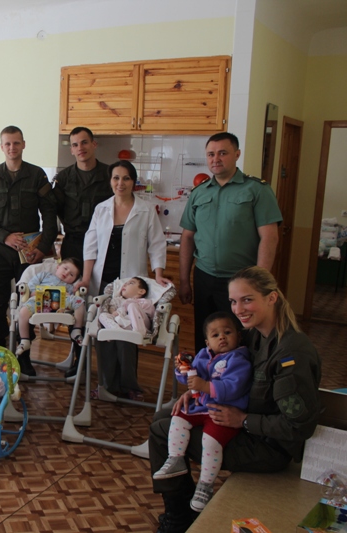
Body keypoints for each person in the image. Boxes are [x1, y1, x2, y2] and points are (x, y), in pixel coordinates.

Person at [149, 267, 321, 532]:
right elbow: (221, 369)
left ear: (272, 298)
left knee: (161, 430)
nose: (238, 309)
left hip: (267, 447)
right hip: (238, 419)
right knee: (165, 415)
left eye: (247, 300)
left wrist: (243, 420)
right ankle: (185, 507)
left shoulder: (290, 354)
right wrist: (194, 391)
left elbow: (298, 427)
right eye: (233, 301)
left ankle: (178, 518)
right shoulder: (253, 334)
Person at [179, 132, 282, 353]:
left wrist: (259, 283)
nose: (216, 159)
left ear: (237, 154)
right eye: (211, 154)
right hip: (204, 277)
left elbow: (269, 237)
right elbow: (187, 237)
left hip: (242, 280)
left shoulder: (257, 190)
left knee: (241, 339)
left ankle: (237, 376)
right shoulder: (198, 193)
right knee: (206, 337)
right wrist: (184, 280)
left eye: (222, 153)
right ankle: (205, 375)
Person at [82, 160, 168, 399]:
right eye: (116, 178)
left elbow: (157, 244)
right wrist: (86, 278)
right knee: (104, 331)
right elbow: (90, 245)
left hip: (131, 283)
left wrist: (158, 274)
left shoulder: (145, 210)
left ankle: (129, 386)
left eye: (126, 178)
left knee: (129, 331)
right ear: (110, 181)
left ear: (134, 182)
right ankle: (106, 385)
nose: (120, 183)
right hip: (103, 281)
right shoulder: (101, 209)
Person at [0, 125, 58, 372]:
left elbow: (50, 214)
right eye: (8, 144)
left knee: (28, 304)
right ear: (1, 147)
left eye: (16, 143)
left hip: (29, 251)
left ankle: (24, 357)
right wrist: (4, 236)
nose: (12, 147)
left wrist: (43, 247)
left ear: (23, 144)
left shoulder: (36, 175)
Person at [153, 312, 252, 512]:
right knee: (178, 417)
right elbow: (192, 379)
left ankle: (205, 486)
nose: (222, 337)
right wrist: (182, 370)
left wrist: (204, 386)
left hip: (223, 412)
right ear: (208, 342)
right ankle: (175, 459)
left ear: (239, 336)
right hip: (201, 406)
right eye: (215, 335)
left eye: (227, 332)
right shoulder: (204, 355)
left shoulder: (239, 359)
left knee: (210, 441)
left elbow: (233, 387)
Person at [53, 127, 112, 263]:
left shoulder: (110, 175)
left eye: (84, 142)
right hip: (73, 243)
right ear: (71, 150)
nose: (80, 148)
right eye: (75, 145)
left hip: (103, 243)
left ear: (94, 144)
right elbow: (55, 210)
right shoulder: (63, 178)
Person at [15, 257, 86, 356]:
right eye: (65, 268)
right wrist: (34, 292)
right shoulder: (44, 275)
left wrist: (69, 295)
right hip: (39, 300)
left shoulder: (69, 287)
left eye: (71, 274)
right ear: (58, 267)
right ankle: (24, 339)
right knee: (23, 312)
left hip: (60, 304)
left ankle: (76, 330)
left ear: (74, 280)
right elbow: (31, 285)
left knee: (80, 302)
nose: (66, 273)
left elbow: (72, 299)